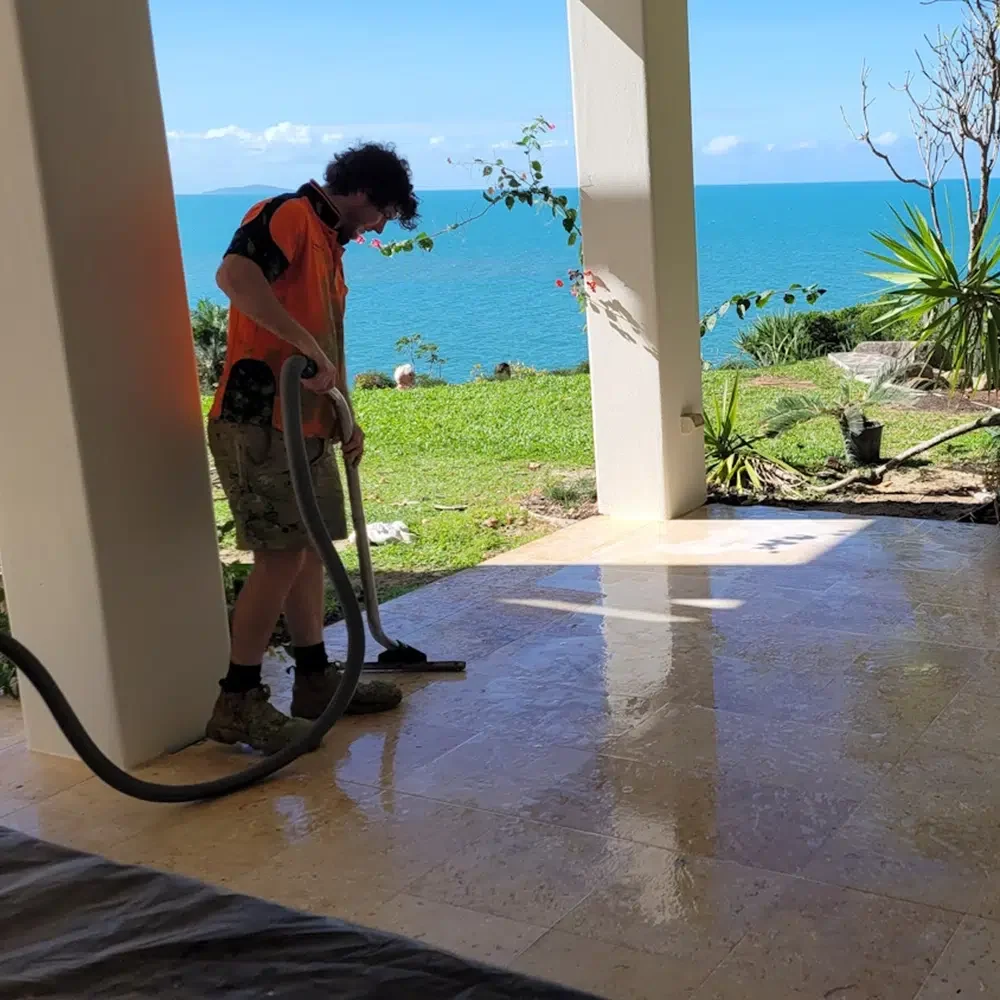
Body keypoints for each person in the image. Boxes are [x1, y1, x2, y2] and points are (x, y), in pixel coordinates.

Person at [204, 143, 419, 753]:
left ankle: (316, 682)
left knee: (308, 555)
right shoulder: (290, 214)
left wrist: (344, 412)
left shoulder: (329, 246)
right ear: (364, 194)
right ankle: (238, 700)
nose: (379, 226)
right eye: (383, 212)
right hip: (259, 422)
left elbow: (325, 341)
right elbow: (234, 277)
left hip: (307, 426)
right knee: (278, 556)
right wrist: (312, 353)